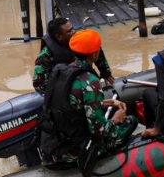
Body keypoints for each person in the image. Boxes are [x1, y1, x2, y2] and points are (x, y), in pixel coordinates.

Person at [39, 29, 137, 166]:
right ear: (94, 54)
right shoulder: (90, 81)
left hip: (57, 144)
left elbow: (74, 106)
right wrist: (115, 120)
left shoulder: (63, 72)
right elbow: (98, 131)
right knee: (131, 120)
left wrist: (109, 102)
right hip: (78, 151)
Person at [33, 16, 115, 92]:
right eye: (69, 31)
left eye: (72, 29)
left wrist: (105, 73)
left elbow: (96, 50)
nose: (74, 32)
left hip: (85, 79)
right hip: (64, 87)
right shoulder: (45, 56)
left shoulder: (79, 40)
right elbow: (38, 84)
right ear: (59, 36)